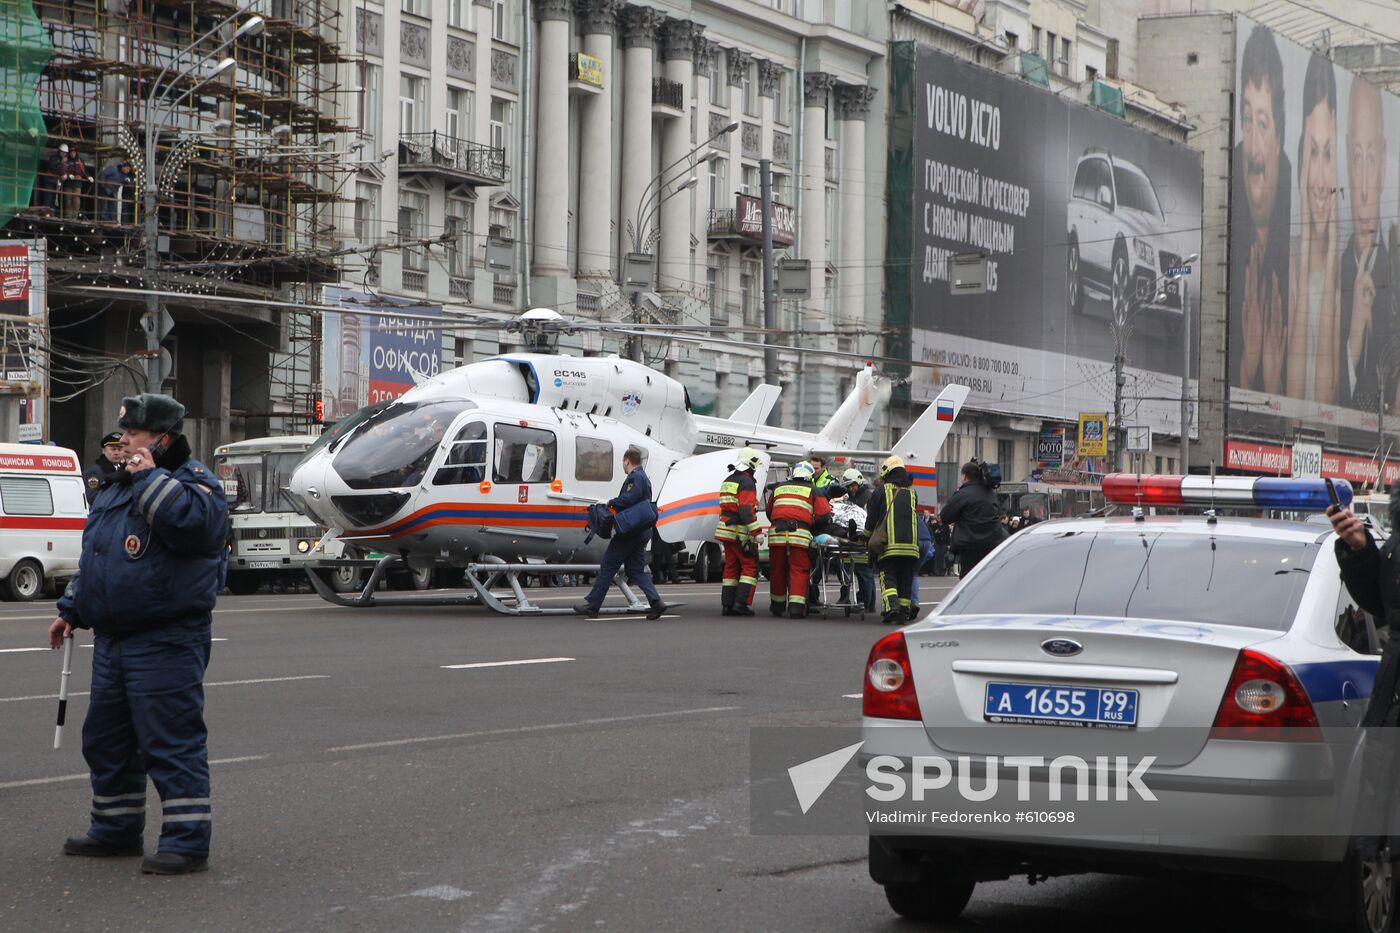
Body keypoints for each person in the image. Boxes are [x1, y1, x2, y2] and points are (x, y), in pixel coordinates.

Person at [47, 393, 228, 875]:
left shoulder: (196, 485)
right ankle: (115, 829)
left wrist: (150, 477)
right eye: (122, 432)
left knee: (170, 741)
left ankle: (187, 843)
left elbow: (196, 529)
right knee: (107, 740)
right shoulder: (115, 487)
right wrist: (71, 609)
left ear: (162, 440)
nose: (122, 440)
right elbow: (98, 557)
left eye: (133, 434)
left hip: (166, 638)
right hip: (113, 639)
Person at [1231, 23, 1292, 395]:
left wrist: (1270, 382)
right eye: (1247, 122)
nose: (1253, 149)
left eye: (1264, 125)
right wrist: (1246, 367)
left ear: (1280, 133)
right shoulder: (1229, 214)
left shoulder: (1297, 220)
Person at [1286, 52, 1340, 404]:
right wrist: (1306, 246)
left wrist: (1332, 253)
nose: (1320, 180)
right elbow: (1295, 412)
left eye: (1328, 153)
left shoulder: (1346, 272)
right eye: (1312, 154)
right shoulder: (1287, 263)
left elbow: (1324, 403)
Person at [1340, 78, 1392, 412]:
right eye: (1357, 157)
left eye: (1370, 158)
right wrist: (1353, 344)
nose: (1361, 190)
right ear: (1346, 156)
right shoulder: (1332, 273)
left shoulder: (1395, 276)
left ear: (1385, 162)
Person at [575, 447, 667, 620]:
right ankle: (656, 602)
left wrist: (610, 502)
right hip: (641, 531)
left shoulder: (635, 477)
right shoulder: (644, 477)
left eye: (623, 463)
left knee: (608, 566)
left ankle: (593, 606)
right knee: (635, 570)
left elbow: (629, 499)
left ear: (627, 461)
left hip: (630, 531)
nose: (623, 466)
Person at [764, 461, 830, 619]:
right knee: (798, 570)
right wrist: (810, 525)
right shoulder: (813, 490)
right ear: (809, 476)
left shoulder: (779, 488)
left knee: (777, 570)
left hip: (777, 534)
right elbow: (825, 516)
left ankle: (777, 606)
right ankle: (796, 608)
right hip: (799, 535)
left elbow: (769, 511)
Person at [865, 456, 920, 625]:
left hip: (890, 545)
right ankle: (903, 612)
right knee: (905, 578)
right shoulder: (912, 492)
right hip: (911, 547)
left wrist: (866, 537)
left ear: (886, 472)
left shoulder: (881, 491)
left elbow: (872, 518)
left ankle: (891, 608)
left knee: (887, 576)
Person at [939, 461, 1007, 576]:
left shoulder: (963, 493)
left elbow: (945, 517)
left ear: (965, 476)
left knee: (969, 582)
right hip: (993, 545)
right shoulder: (991, 494)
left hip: (971, 547)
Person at [717, 447, 762, 617]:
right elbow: (745, 511)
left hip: (726, 529)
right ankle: (740, 603)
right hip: (739, 532)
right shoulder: (747, 482)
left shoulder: (728, 479)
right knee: (749, 566)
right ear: (751, 465)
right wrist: (756, 531)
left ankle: (727, 605)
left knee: (731, 567)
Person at [838, 468, 876, 612]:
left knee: (863, 571)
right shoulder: (856, 496)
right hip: (856, 538)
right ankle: (866, 603)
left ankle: (864, 603)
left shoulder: (866, 497)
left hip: (863, 539)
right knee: (858, 571)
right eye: (848, 486)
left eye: (853, 485)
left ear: (859, 482)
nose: (851, 488)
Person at [83, 431, 124, 505]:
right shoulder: (95, 472)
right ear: (104, 451)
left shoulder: (124, 470)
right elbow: (92, 497)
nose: (117, 453)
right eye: (113, 449)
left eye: (119, 449)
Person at [60, 147, 88, 220]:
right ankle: (68, 216)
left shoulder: (80, 161)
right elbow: (62, 170)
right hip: (68, 183)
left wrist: (89, 176)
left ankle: (74, 217)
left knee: (76, 200)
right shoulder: (66, 160)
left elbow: (84, 171)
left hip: (77, 184)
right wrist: (69, 175)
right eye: (71, 152)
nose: (73, 154)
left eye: (74, 152)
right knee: (68, 200)